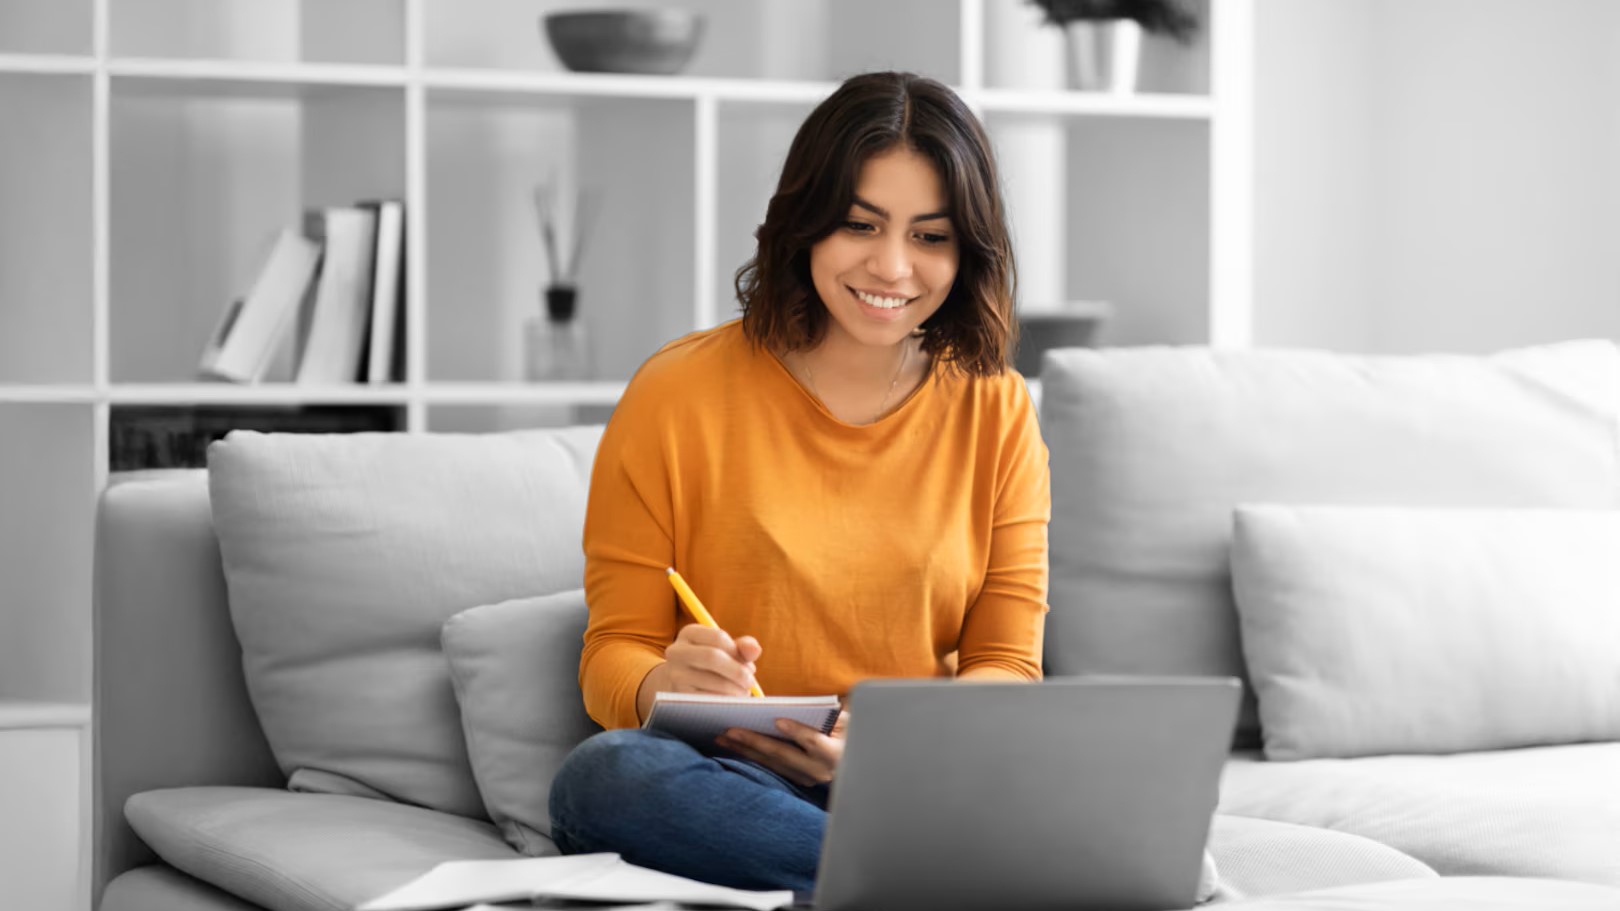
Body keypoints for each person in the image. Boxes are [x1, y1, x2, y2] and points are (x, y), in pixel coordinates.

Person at [547, 70, 1051, 895]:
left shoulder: (996, 408)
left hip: (912, 779)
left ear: (968, 251)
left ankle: (877, 878)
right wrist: (659, 684)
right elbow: (613, 651)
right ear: (805, 222)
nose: (892, 266)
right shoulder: (674, 394)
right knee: (603, 775)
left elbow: (1006, 666)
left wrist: (885, 757)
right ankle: (938, 887)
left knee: (1068, 779)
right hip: (738, 779)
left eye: (931, 236)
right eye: (861, 224)